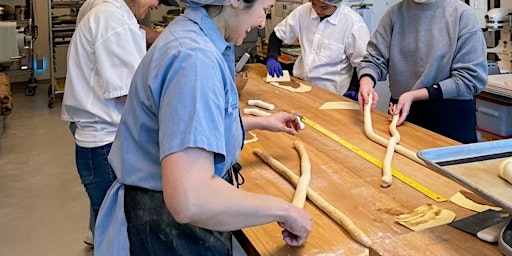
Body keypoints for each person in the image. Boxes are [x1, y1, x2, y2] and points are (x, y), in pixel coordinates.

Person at [93, 0, 313, 254]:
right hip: (168, 228)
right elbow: (191, 200)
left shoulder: (190, 34)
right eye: (263, 10)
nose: (262, 23)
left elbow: (183, 124)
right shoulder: (194, 59)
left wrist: (260, 122)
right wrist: (284, 210)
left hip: (160, 215)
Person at [61, 0, 174, 247]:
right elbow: (131, 92)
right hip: (106, 146)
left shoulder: (118, 17)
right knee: (118, 237)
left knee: (115, 231)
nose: (156, 5)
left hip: (107, 141)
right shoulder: (111, 19)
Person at [357, 0, 487, 144]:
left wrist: (414, 95)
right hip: (403, 115)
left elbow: (471, 78)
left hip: (450, 116)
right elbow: (374, 59)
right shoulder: (394, 14)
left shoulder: (461, 14)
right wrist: (366, 81)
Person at [265, 0, 370, 99]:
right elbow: (277, 35)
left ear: (336, 4)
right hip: (300, 85)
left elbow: (362, 63)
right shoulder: (302, 12)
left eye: (324, 7)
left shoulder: (352, 23)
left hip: (332, 94)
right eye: (314, 4)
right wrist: (272, 57)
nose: (317, 10)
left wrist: (354, 89)